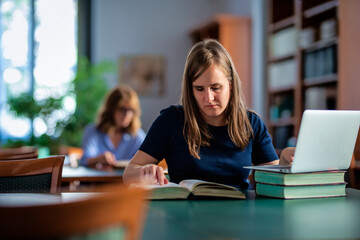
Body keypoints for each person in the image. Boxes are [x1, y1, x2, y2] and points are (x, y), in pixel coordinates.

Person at [123, 39, 294, 189]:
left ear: (231, 84)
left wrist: (285, 164)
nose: (208, 98)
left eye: (216, 87)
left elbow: (273, 181)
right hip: (184, 216)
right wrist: (143, 171)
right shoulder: (171, 120)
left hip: (238, 218)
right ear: (190, 90)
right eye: (199, 89)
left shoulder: (251, 123)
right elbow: (128, 174)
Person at [79, 85, 146, 168]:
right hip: (98, 180)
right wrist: (98, 159)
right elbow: (84, 160)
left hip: (127, 181)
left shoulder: (137, 135)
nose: (127, 115)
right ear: (111, 109)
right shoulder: (93, 131)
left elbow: (150, 158)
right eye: (122, 109)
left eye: (131, 110)